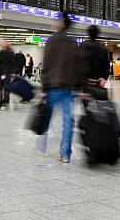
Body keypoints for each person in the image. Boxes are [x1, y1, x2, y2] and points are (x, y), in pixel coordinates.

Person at [35, 14, 80, 163]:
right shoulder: (73, 43)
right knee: (68, 121)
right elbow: (76, 67)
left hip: (52, 87)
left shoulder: (51, 41)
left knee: (47, 116)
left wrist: (43, 86)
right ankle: (65, 154)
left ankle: (41, 146)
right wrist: (77, 86)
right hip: (67, 87)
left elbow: (46, 65)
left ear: (62, 22)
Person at [0, 40, 15, 111]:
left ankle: (3, 101)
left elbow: (8, 64)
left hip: (4, 73)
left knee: (2, 88)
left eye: (1, 43)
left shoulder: (7, 52)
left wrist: (4, 74)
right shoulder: (1, 52)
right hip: (1, 72)